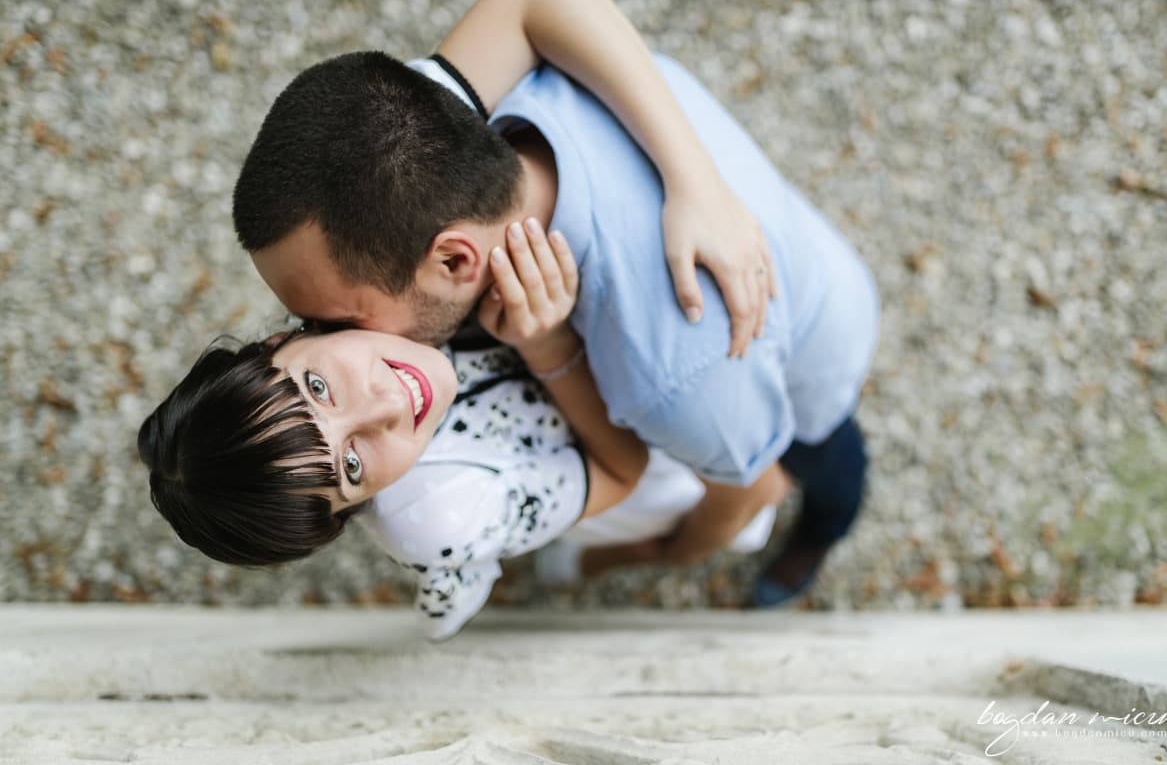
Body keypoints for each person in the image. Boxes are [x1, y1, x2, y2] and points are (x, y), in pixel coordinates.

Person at [235, 0, 880, 604]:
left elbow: (755, 489)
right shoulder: (418, 139)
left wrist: (660, 554)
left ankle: (825, 531)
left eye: (339, 321)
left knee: (831, 460)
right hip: (787, 229)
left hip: (820, 341)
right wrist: (695, 179)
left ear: (457, 262)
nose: (322, 339)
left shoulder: (676, 383)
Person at [140, 218, 784, 640]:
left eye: (317, 388)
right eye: (353, 466)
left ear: (284, 336)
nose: (388, 404)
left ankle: (570, 565)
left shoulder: (347, 289)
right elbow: (625, 470)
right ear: (350, 512)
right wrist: (549, 345)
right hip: (624, 469)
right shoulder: (437, 513)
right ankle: (620, 559)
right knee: (756, 494)